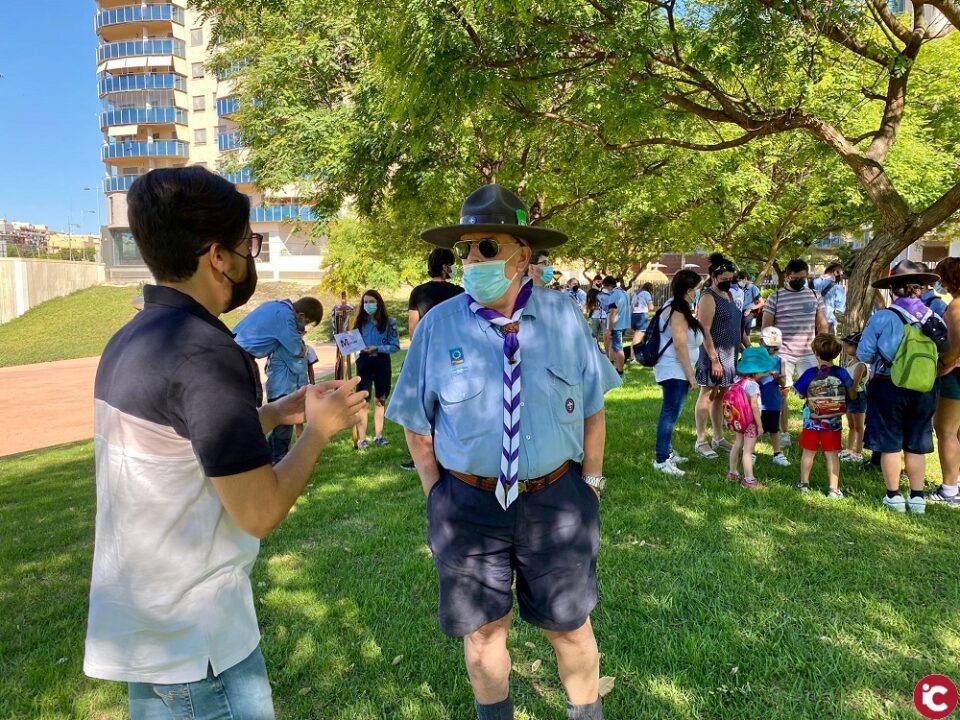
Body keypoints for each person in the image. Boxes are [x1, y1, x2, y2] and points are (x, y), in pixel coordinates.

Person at [84, 167, 366, 717]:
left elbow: (180, 451)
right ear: (217, 256)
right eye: (247, 245)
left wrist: (272, 413)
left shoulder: (131, 339)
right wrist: (317, 431)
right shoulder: (208, 354)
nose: (248, 258)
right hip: (198, 639)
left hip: (149, 625)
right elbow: (259, 511)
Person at [386, 184, 620, 720]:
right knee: (484, 634)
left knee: (570, 628)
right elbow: (416, 426)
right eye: (467, 249)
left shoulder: (564, 317)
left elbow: (592, 409)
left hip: (556, 500)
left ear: (521, 254)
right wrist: (439, 497)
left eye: (485, 248)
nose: (471, 260)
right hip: (468, 506)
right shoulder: (439, 325)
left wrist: (593, 482)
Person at [857, 260, 944, 514]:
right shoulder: (934, 317)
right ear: (919, 289)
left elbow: (865, 352)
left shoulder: (883, 317)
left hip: (888, 384)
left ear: (893, 289)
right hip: (925, 386)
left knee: (890, 440)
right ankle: (917, 498)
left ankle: (893, 496)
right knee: (917, 440)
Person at [234, 295, 325, 463]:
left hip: (237, 353)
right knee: (253, 411)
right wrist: (300, 339)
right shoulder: (286, 318)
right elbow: (297, 350)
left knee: (256, 408)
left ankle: (263, 456)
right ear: (302, 316)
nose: (305, 327)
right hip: (239, 358)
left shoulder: (274, 305)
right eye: (307, 322)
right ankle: (269, 458)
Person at [761, 258, 829, 447]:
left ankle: (815, 429)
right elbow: (767, 327)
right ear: (788, 276)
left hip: (809, 352)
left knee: (815, 392)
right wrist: (770, 353)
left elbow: (822, 324)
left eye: (804, 278)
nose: (801, 281)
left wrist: (823, 351)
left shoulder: (815, 295)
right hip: (784, 353)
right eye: (797, 277)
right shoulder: (776, 297)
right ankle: (783, 433)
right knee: (782, 393)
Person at [694, 253, 749, 459]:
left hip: (730, 354)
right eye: (724, 279)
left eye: (731, 279)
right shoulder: (708, 297)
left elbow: (737, 325)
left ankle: (718, 437)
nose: (728, 282)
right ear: (714, 277)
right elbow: (705, 330)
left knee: (721, 397)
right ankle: (701, 440)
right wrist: (714, 359)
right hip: (713, 355)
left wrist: (748, 347)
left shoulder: (731, 295)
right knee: (707, 395)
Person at [652, 270, 703, 476]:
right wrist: (691, 375)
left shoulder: (678, 307)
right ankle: (661, 459)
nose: (697, 293)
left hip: (676, 369)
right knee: (670, 414)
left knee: (672, 412)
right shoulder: (677, 311)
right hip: (674, 370)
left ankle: (667, 451)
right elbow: (680, 346)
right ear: (689, 290)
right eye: (696, 289)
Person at [793, 334, 854, 498]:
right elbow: (852, 394)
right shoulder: (841, 373)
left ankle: (804, 484)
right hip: (833, 422)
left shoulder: (810, 373)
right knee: (832, 454)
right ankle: (833, 489)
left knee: (808, 452)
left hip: (812, 421)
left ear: (816, 353)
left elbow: (799, 394)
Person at [353, 289, 400, 450]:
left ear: (378, 303)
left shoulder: (389, 322)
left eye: (371, 301)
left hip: (382, 363)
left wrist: (378, 348)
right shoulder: (359, 322)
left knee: (380, 400)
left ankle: (379, 436)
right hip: (364, 363)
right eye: (365, 302)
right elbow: (352, 343)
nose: (368, 305)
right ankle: (362, 439)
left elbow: (395, 346)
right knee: (363, 402)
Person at [723, 347, 775, 489]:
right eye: (764, 370)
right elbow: (754, 407)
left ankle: (732, 472)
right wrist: (759, 425)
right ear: (756, 371)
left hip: (739, 420)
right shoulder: (753, 386)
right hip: (750, 422)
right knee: (748, 450)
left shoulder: (738, 380)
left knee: (737, 444)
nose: (766, 372)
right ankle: (749, 480)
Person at [930, 257, 960, 506]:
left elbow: (954, 347)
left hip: (955, 377)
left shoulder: (957, 306)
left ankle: (949, 490)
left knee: (945, 430)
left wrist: (942, 365)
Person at [758, 327, 790, 466]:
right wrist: (766, 373)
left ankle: (777, 453)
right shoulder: (756, 360)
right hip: (757, 401)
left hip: (773, 401)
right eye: (768, 348)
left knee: (774, 428)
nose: (771, 352)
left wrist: (779, 378)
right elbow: (752, 378)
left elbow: (783, 383)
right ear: (761, 344)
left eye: (775, 349)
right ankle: (751, 452)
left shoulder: (781, 361)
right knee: (755, 428)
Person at [840, 332, 869, 464]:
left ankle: (858, 452)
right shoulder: (851, 362)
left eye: (850, 345)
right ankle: (849, 449)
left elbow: (854, 384)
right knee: (851, 425)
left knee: (859, 426)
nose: (847, 347)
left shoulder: (861, 365)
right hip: (848, 395)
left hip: (857, 396)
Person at [603, 275, 631, 377]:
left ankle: (620, 372)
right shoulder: (625, 293)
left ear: (609, 286)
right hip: (624, 324)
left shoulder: (614, 295)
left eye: (605, 287)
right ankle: (612, 368)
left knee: (618, 348)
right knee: (613, 347)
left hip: (617, 326)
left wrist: (609, 329)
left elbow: (613, 313)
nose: (605, 289)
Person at [814, 263, 847, 335]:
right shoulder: (838, 288)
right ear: (836, 272)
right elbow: (839, 310)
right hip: (828, 324)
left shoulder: (811, 283)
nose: (841, 277)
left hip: (810, 324)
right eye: (841, 275)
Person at [630, 281, 655, 346]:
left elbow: (631, 307)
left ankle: (640, 352)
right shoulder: (646, 293)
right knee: (638, 338)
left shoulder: (636, 294)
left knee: (640, 336)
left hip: (633, 315)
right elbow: (651, 307)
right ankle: (633, 353)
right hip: (641, 316)